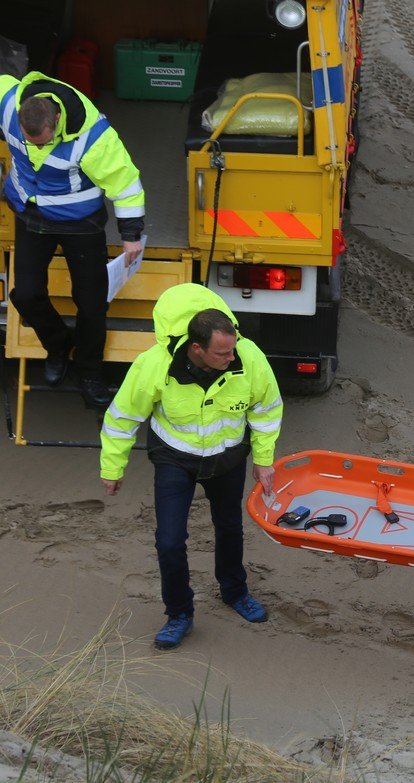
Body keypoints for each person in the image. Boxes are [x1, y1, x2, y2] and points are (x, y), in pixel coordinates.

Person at [100, 284, 283, 651]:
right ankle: (179, 613)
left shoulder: (249, 357)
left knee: (229, 528)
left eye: (232, 348)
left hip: (228, 458)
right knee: (169, 542)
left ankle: (234, 592)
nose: (232, 357)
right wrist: (112, 466)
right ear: (196, 348)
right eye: (222, 352)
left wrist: (263, 461)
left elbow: (266, 412)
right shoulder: (154, 365)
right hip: (174, 458)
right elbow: (122, 417)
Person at [0, 71, 145, 409]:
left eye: (43, 142)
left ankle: (89, 370)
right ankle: (58, 345)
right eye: (28, 141)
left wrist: (131, 236)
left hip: (80, 223)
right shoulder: (10, 102)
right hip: (30, 215)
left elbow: (125, 184)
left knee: (92, 302)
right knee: (26, 293)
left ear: (58, 120)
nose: (36, 148)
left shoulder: (94, 136)